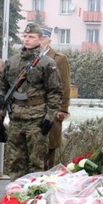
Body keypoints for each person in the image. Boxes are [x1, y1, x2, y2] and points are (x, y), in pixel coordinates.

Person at [0, 23, 62, 180]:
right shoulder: (12, 61)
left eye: (31, 37)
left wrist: (49, 118)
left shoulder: (46, 63)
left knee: (36, 162)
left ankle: (33, 197)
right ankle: (16, 193)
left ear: (40, 39)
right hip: (16, 118)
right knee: (15, 161)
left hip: (36, 119)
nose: (27, 39)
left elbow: (55, 92)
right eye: (25, 36)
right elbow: (0, 83)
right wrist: (0, 97)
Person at [41, 28, 71, 169]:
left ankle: (44, 182)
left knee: (49, 147)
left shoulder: (59, 59)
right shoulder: (28, 58)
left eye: (42, 38)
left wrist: (63, 109)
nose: (39, 41)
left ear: (49, 40)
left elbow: (65, 85)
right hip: (32, 110)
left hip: (52, 111)